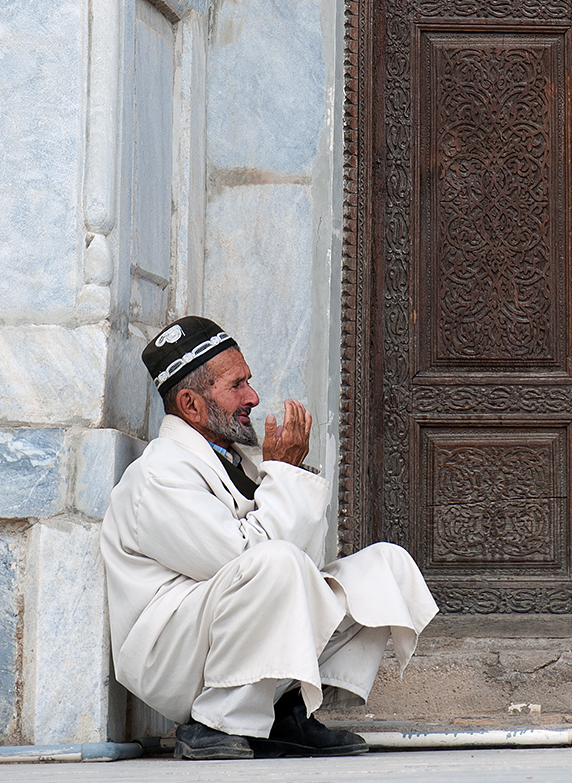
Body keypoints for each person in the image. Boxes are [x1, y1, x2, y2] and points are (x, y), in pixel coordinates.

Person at [101, 316, 438, 761]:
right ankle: (212, 723)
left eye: (249, 383)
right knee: (276, 564)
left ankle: (285, 712)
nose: (253, 398)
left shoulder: (236, 459)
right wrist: (284, 475)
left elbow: (305, 563)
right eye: (237, 385)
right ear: (190, 404)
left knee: (384, 568)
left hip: (224, 632)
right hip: (171, 659)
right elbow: (243, 559)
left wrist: (287, 474)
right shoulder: (157, 475)